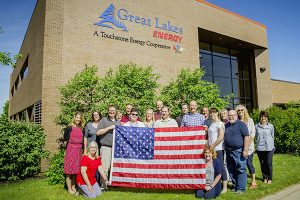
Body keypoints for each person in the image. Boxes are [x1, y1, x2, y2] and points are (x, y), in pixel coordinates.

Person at [224, 110, 249, 194]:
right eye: (229, 115)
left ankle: (241, 188)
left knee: (240, 169)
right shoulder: (226, 125)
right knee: (231, 170)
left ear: (236, 115)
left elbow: (246, 137)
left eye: (232, 115)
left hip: (238, 150)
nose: (230, 117)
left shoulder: (241, 124)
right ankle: (235, 186)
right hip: (228, 150)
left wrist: (245, 150)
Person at [96, 105, 120, 189]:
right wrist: (109, 128)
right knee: (105, 167)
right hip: (106, 147)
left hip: (115, 149)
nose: (111, 112)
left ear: (116, 112)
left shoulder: (118, 122)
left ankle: (112, 185)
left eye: (113, 110)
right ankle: (103, 186)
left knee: (113, 168)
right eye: (110, 110)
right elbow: (98, 133)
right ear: (108, 111)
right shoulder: (103, 120)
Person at [63, 112, 85, 195]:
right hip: (70, 150)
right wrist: (68, 151)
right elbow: (65, 140)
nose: (78, 119)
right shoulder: (69, 128)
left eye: (80, 118)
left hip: (78, 151)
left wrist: (82, 151)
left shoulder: (82, 128)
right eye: (77, 117)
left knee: (75, 170)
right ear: (74, 117)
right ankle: (69, 188)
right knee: (69, 170)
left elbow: (83, 142)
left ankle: (73, 186)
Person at [236, 105, 257, 189]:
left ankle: (254, 181)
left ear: (245, 111)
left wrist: (247, 145)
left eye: (242, 110)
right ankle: (241, 181)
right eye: (238, 110)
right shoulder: (237, 122)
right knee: (241, 165)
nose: (240, 111)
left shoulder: (249, 120)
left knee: (249, 163)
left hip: (249, 146)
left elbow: (252, 134)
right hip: (239, 147)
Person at [207, 108, 227, 193]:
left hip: (218, 149)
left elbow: (221, 137)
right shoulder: (212, 124)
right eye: (211, 113)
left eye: (214, 113)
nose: (212, 114)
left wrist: (213, 146)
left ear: (217, 113)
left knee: (221, 167)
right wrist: (209, 147)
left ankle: (225, 187)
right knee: (215, 167)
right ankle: (217, 184)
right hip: (212, 149)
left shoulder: (220, 123)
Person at [255, 111, 275, 184]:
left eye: (265, 116)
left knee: (269, 163)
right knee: (262, 163)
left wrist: (273, 146)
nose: (263, 118)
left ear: (267, 118)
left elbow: (272, 136)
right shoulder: (256, 126)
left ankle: (270, 178)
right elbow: (256, 136)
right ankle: (265, 177)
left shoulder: (271, 126)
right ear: (260, 117)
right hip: (260, 148)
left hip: (270, 148)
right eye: (262, 116)